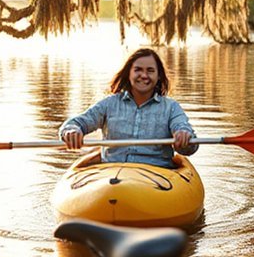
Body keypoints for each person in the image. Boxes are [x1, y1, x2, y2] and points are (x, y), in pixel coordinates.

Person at [60, 48, 198, 168]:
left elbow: (187, 137)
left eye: (150, 71)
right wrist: (72, 130)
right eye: (138, 70)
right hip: (112, 175)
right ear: (129, 73)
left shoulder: (171, 107)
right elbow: (77, 123)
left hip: (156, 176)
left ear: (158, 76)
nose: (144, 75)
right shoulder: (109, 104)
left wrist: (183, 137)